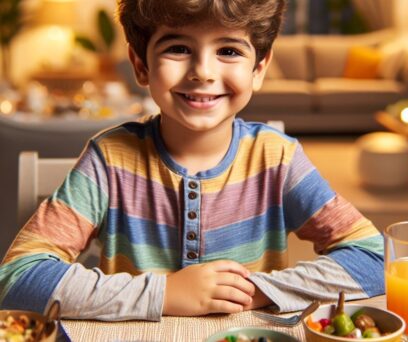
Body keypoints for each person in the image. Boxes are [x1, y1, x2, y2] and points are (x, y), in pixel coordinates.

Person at [0, 0, 384, 320]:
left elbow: (375, 258)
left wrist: (258, 289)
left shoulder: (277, 158)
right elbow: (18, 278)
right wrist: (165, 293)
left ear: (259, 68)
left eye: (229, 51)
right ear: (141, 65)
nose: (203, 71)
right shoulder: (108, 160)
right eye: (178, 48)